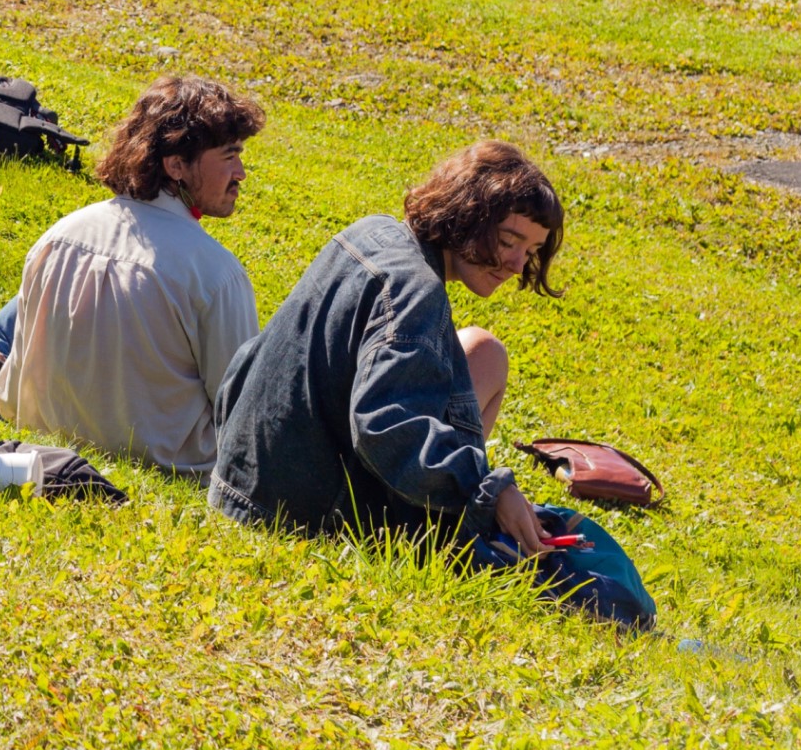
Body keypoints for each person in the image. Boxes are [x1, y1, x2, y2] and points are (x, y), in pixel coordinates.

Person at [207, 140, 565, 559]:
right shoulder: (416, 291)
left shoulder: (374, 233)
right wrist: (486, 489)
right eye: (509, 241)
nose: (518, 265)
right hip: (299, 518)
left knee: (486, 353)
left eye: (532, 251)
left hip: (243, 483)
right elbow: (385, 426)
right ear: (468, 213)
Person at [0, 75, 264, 476]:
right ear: (176, 165)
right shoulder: (216, 274)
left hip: (42, 438)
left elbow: (16, 385)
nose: (242, 172)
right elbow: (242, 413)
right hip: (168, 464)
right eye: (229, 156)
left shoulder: (59, 236)